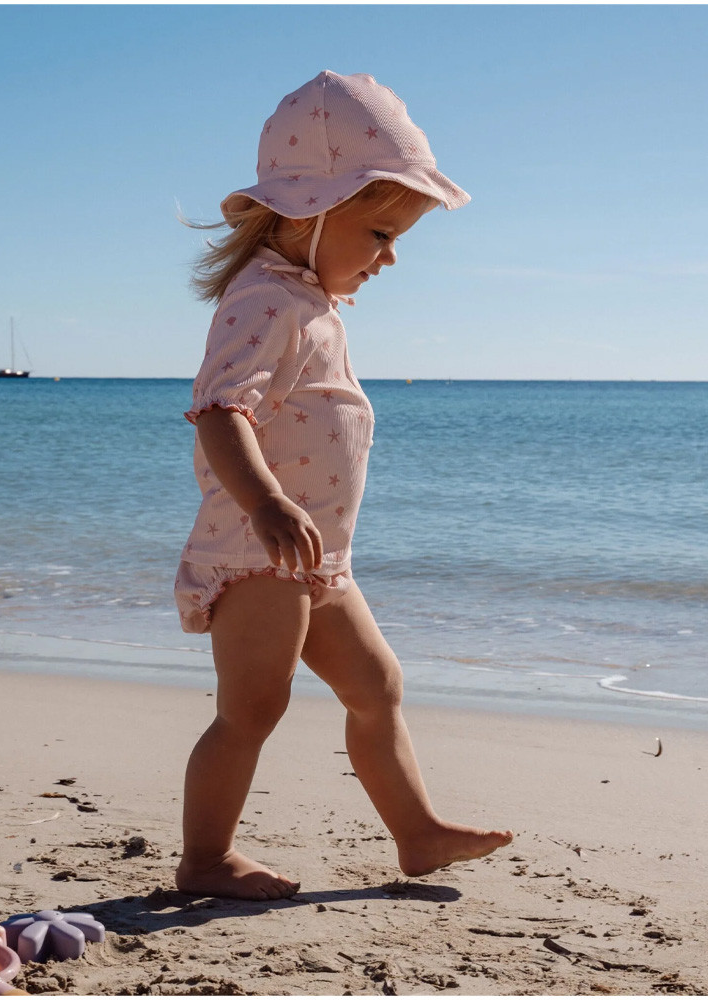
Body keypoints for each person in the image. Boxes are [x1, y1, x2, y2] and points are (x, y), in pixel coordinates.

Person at [173, 70, 512, 901]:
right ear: (308, 212)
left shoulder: (310, 301)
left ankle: (419, 833)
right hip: (261, 551)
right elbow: (222, 412)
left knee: (378, 687)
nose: (391, 255)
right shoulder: (264, 301)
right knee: (252, 710)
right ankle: (206, 860)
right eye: (381, 232)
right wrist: (266, 501)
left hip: (315, 558)